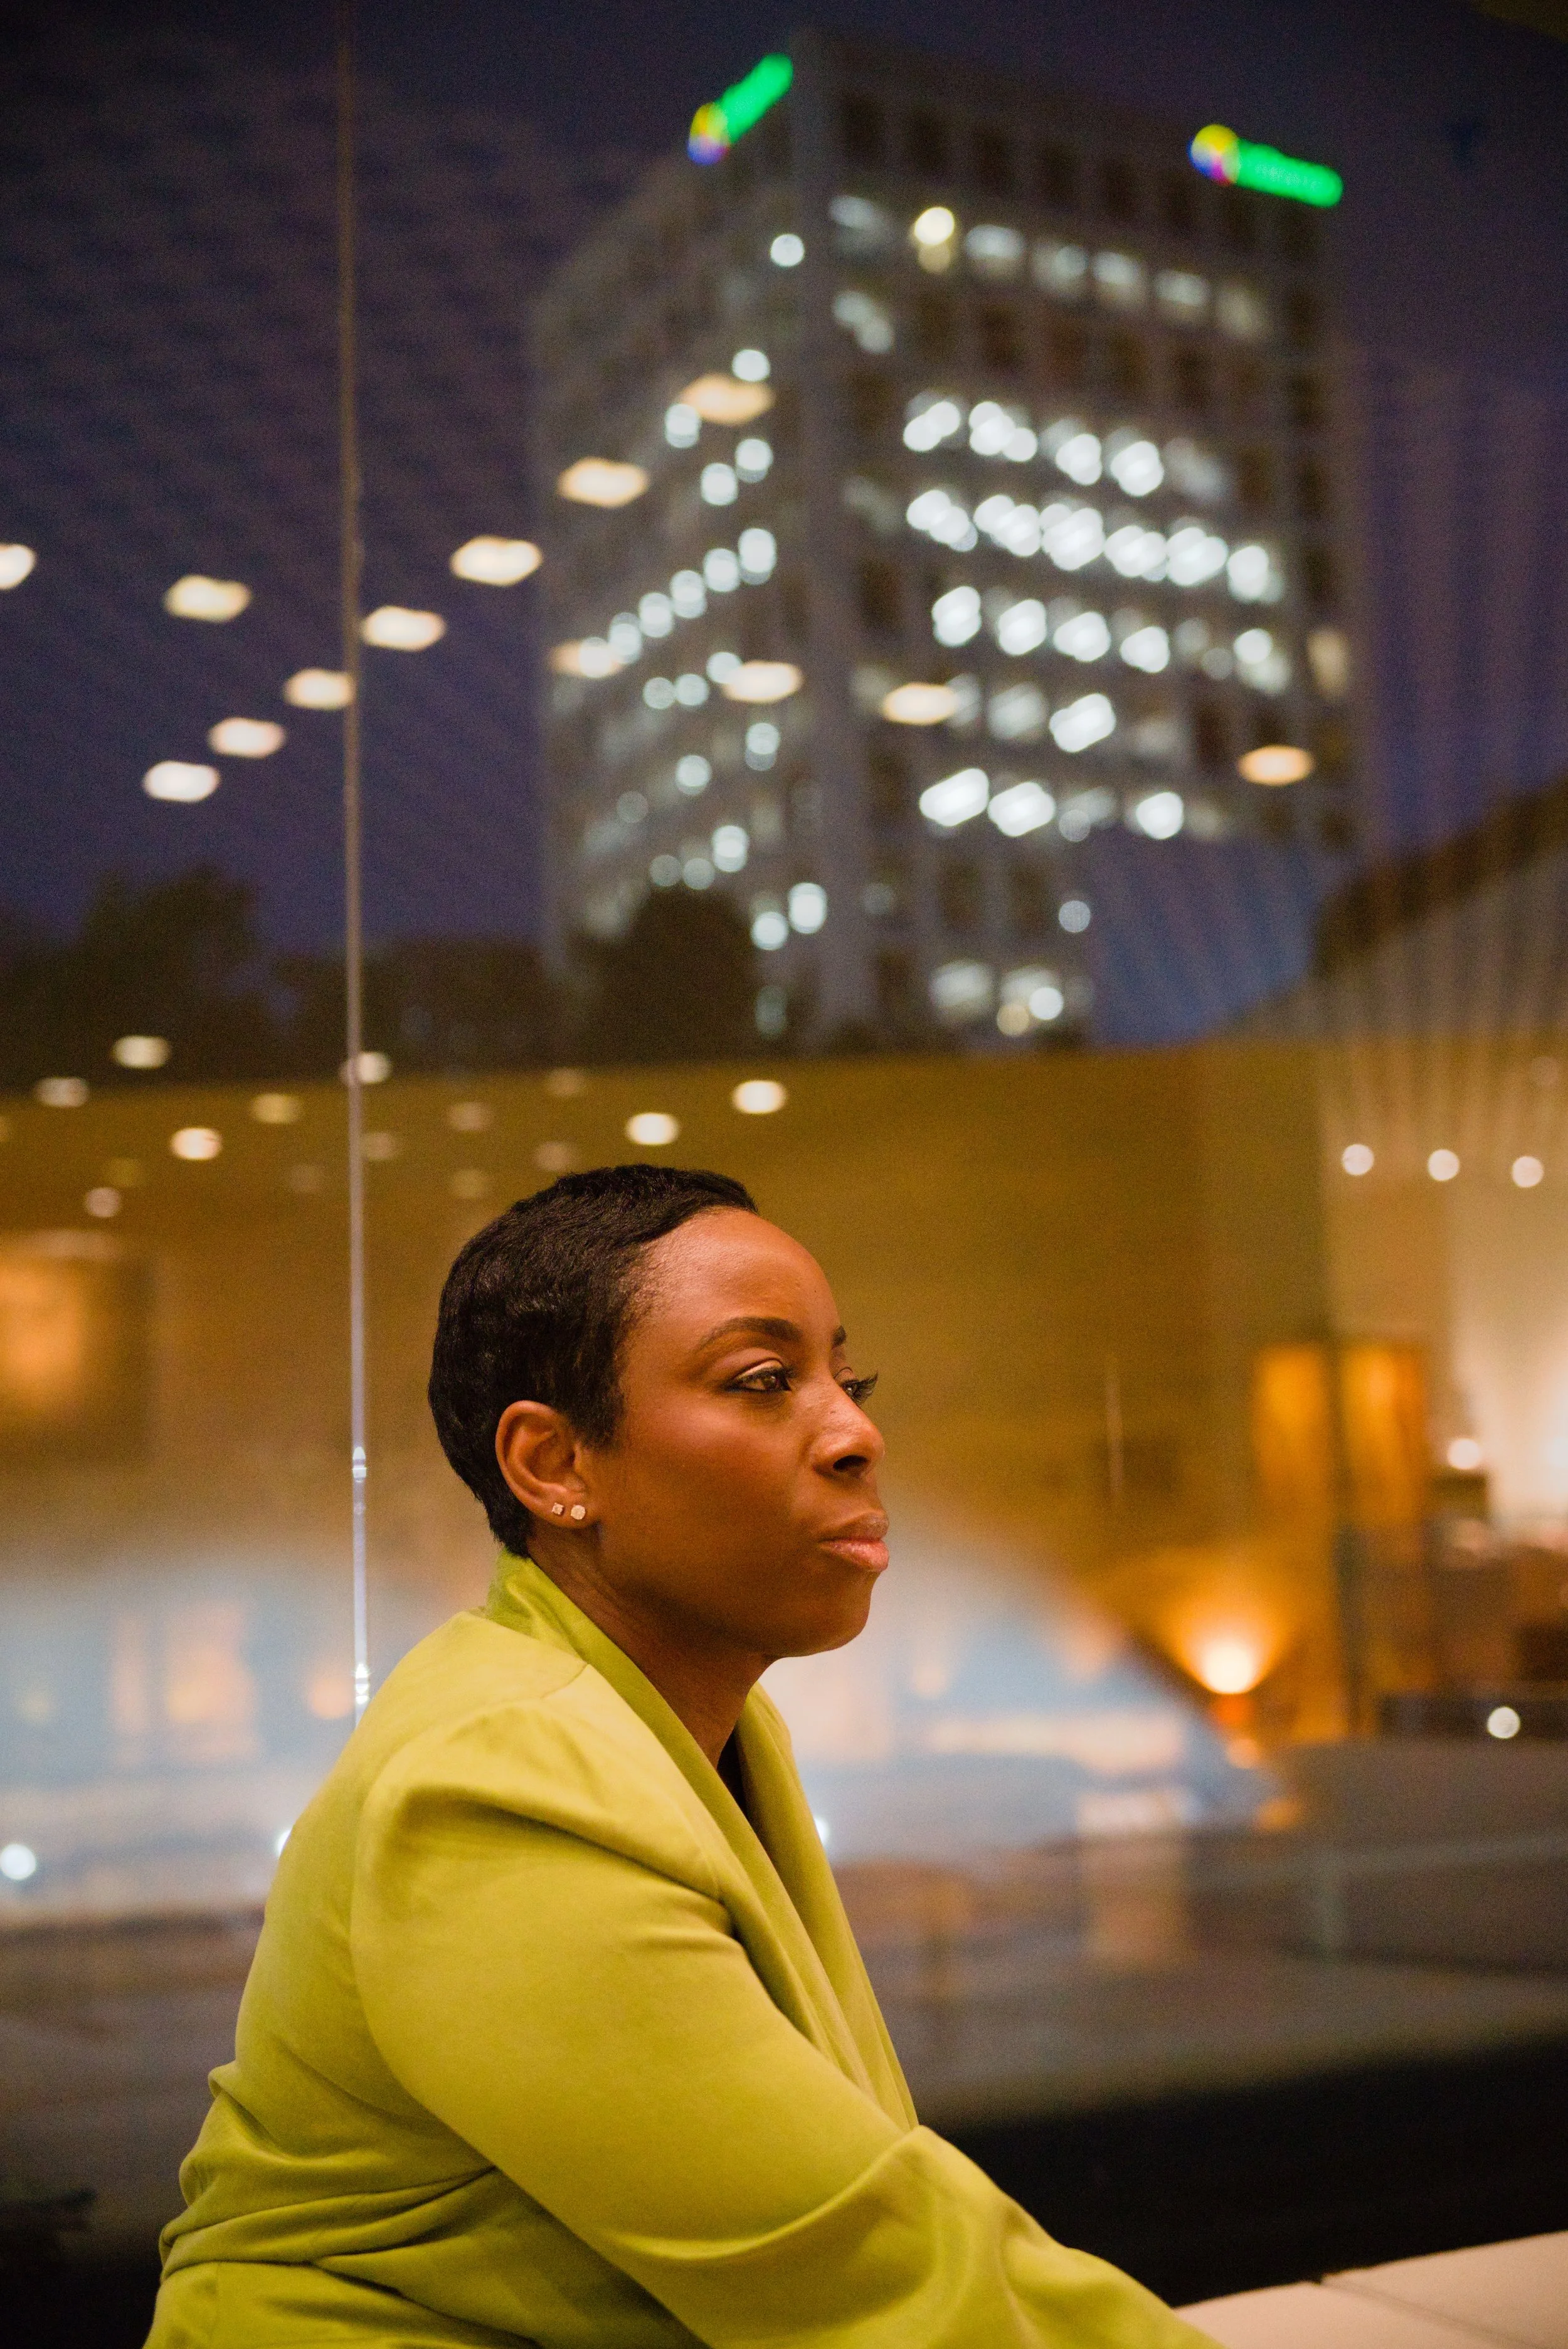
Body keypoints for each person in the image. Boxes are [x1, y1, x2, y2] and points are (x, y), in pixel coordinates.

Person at [148, 1165, 1212, 2347]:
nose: (857, 1433)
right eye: (764, 1381)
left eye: (844, 1378)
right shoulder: (494, 1785)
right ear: (554, 1467)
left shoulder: (693, 1720)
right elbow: (866, 2272)